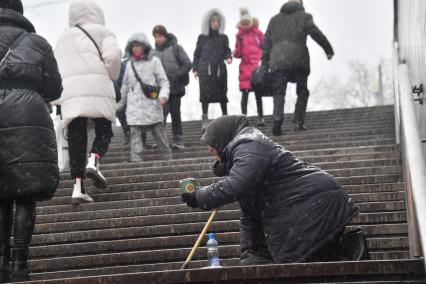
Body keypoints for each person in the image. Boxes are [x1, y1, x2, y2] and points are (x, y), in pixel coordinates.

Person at [182, 116, 369, 265]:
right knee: (303, 258)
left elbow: (238, 184)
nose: (208, 149)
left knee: (295, 261)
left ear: (222, 137)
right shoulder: (245, 147)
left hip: (314, 202)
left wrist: (200, 196)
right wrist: (249, 253)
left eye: (211, 142)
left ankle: (352, 253)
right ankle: (350, 254)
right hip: (308, 204)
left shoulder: (248, 143)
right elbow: (249, 214)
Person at [0, 0, 63, 281]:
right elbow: (54, 87)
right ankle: (20, 265)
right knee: (26, 193)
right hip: (29, 114)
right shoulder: (37, 43)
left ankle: (1, 262)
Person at [53, 0, 122, 204]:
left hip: (72, 92)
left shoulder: (64, 36)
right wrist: (111, 74)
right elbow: (114, 57)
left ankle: (77, 187)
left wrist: (58, 99)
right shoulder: (104, 32)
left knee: (76, 138)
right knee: (104, 129)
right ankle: (95, 158)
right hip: (98, 86)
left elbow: (56, 66)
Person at [262, 0, 334, 135]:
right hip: (298, 59)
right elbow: (315, 33)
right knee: (302, 91)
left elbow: (266, 43)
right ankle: (298, 121)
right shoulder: (304, 16)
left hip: (278, 60)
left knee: (279, 91)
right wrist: (328, 49)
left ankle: (277, 118)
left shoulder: (274, 20)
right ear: (301, 3)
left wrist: (264, 63)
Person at [118, 33, 172, 162]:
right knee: (135, 140)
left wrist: (163, 96)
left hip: (152, 106)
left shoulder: (154, 62)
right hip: (134, 109)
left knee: (160, 138)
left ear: (144, 47)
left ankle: (168, 162)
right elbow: (125, 87)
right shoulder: (129, 65)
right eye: (133, 46)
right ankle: (137, 165)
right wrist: (119, 105)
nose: (135, 49)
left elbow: (164, 82)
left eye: (138, 46)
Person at [152, 25, 192, 149]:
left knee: (175, 114)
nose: (157, 39)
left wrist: (176, 75)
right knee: (161, 115)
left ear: (165, 36)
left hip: (175, 88)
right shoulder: (153, 53)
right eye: (155, 36)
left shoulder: (176, 48)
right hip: (160, 90)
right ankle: (160, 139)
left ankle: (177, 139)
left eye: (160, 36)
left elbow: (187, 63)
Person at [193, 9, 233, 130]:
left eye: (218, 21)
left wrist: (229, 57)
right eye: (213, 21)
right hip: (205, 70)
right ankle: (205, 118)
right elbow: (197, 54)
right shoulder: (202, 37)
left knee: (222, 94)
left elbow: (227, 50)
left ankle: (225, 118)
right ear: (208, 22)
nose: (216, 23)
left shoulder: (223, 37)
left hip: (219, 70)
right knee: (205, 95)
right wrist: (195, 68)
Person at [234, 8, 265, 126]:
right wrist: (235, 52)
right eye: (243, 24)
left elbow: (265, 45)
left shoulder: (258, 33)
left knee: (258, 93)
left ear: (251, 23)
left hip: (256, 67)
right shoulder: (240, 36)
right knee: (245, 94)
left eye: (247, 23)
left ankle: (261, 116)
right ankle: (243, 118)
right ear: (241, 24)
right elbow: (239, 53)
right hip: (245, 67)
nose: (245, 25)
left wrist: (262, 59)